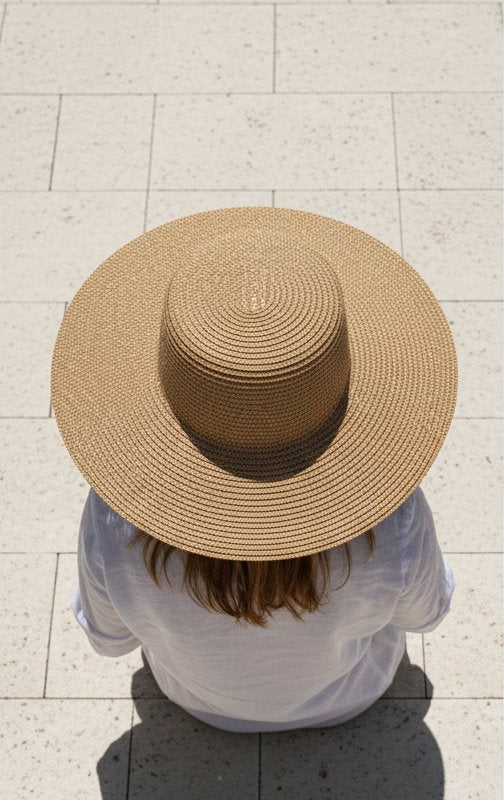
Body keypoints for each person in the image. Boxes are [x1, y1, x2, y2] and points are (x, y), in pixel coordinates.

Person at [52, 206, 458, 732]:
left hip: (193, 699)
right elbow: (427, 614)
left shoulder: (118, 515)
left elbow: (108, 639)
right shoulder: (391, 515)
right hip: (351, 695)